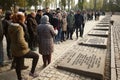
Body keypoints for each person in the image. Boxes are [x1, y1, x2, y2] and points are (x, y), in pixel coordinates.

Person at [8, 13, 39, 80]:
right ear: (21, 19)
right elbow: (20, 40)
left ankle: (19, 78)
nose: (25, 18)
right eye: (24, 17)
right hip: (21, 49)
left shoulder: (11, 26)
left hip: (14, 48)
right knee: (36, 56)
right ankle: (32, 72)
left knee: (18, 64)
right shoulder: (19, 28)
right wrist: (26, 46)